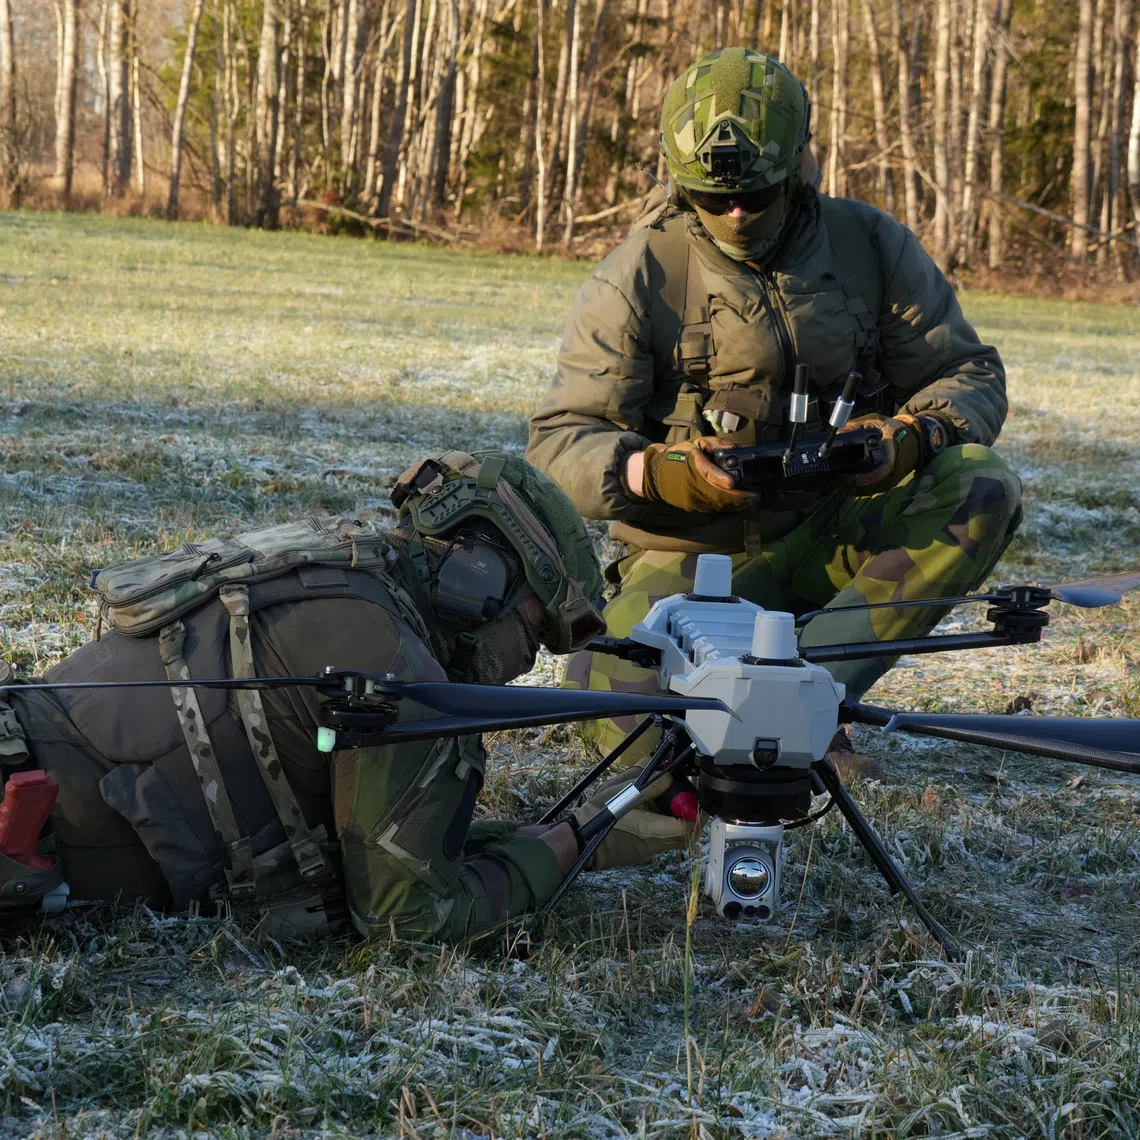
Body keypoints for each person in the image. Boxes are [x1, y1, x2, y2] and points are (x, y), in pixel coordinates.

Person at [526, 48, 1023, 769]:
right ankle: (748, 713)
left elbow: (967, 371)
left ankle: (803, 697)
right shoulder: (638, 275)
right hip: (693, 557)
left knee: (982, 483)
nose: (734, 211)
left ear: (796, 169)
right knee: (623, 718)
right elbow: (558, 443)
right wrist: (665, 473)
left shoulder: (870, 247)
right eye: (710, 196)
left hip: (833, 531)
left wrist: (908, 439)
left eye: (754, 196)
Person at [0, 451, 694, 940]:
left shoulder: (335, 570)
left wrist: (579, 834)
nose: (520, 667)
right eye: (533, 633)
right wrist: (572, 851)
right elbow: (412, 920)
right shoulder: (394, 664)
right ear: (479, 577)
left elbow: (382, 848)